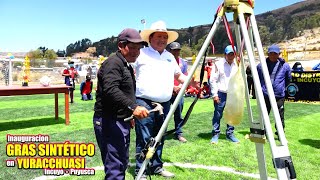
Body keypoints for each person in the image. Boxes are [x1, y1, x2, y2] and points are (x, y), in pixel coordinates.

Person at [134, 20, 197, 179]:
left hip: (165, 103)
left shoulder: (169, 56)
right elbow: (127, 72)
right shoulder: (141, 53)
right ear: (150, 38)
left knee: (160, 137)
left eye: (164, 37)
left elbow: (178, 75)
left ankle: (156, 166)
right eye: (159, 36)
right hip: (144, 102)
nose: (162, 40)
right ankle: (140, 171)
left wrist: (190, 80)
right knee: (145, 137)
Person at [92, 28, 149, 180]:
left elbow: (123, 92)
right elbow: (111, 90)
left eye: (138, 48)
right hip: (109, 121)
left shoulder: (124, 63)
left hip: (118, 120)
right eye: (132, 47)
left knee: (120, 163)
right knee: (115, 168)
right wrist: (134, 107)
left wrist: (128, 114)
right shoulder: (114, 63)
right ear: (120, 46)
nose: (136, 52)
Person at [257, 44, 291, 135]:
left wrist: (281, 88)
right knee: (264, 114)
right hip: (266, 94)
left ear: (279, 54)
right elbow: (258, 78)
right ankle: (263, 132)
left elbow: (288, 79)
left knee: (280, 115)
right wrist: (262, 88)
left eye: (275, 54)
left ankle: (280, 133)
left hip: (279, 95)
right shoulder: (261, 66)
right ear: (267, 54)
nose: (272, 55)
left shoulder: (285, 66)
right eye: (271, 53)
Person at [209, 45, 240, 144]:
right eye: (229, 54)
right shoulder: (218, 64)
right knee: (218, 114)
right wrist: (215, 95)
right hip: (221, 93)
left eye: (232, 54)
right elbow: (212, 80)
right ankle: (215, 134)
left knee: (231, 114)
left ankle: (230, 134)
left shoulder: (237, 64)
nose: (231, 56)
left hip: (233, 93)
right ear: (225, 54)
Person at [168, 42, 188, 143]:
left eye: (178, 50)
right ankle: (160, 133)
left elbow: (185, 75)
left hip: (179, 92)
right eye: (174, 50)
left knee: (178, 114)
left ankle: (178, 133)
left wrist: (179, 87)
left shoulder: (183, 63)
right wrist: (172, 87)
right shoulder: (165, 62)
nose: (176, 52)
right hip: (167, 91)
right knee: (164, 113)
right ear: (170, 51)